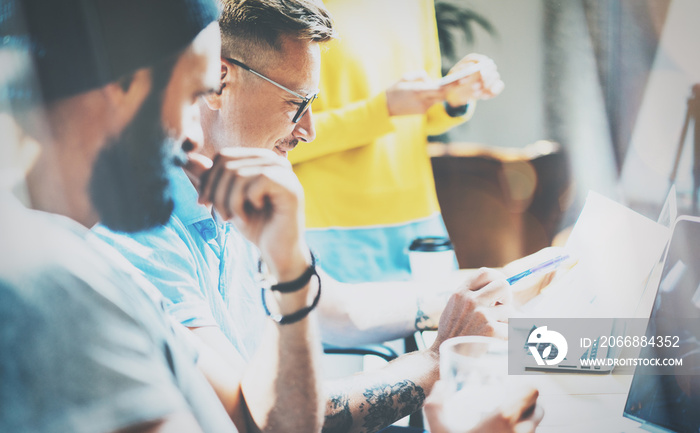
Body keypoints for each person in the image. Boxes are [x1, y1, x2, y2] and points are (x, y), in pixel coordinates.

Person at [93, 1, 546, 432]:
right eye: (297, 104)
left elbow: (338, 310)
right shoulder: (141, 238)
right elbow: (266, 421)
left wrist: (490, 286)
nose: (309, 130)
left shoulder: (231, 187)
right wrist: (438, 358)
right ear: (218, 81)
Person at [0, 1, 325, 432]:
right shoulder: (50, 282)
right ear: (121, 84)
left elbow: (264, 422)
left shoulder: (95, 268)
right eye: (193, 96)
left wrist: (288, 265)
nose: (194, 136)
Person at [288, 0, 505, 283]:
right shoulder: (283, 6)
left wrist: (453, 95)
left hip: (418, 223)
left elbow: (419, 116)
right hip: (325, 229)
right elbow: (274, 136)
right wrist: (382, 109)